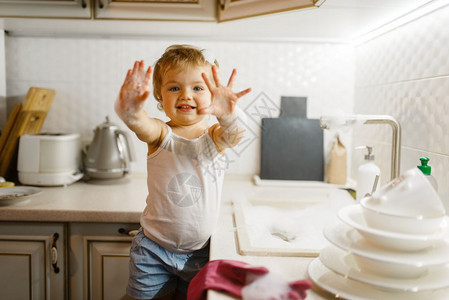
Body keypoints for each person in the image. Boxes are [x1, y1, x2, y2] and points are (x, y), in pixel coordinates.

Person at [115, 44, 251, 300]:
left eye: (198, 88)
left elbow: (234, 135)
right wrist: (130, 111)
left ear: (212, 96)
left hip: (201, 253)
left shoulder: (213, 137)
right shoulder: (160, 134)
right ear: (159, 96)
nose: (186, 95)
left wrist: (228, 116)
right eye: (174, 87)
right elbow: (141, 125)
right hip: (153, 251)